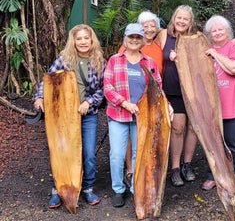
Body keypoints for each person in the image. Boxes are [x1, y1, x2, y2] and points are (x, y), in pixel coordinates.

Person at [34, 24, 105, 208]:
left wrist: (88, 102)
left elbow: (103, 89)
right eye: (78, 38)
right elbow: (48, 78)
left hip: (88, 115)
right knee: (62, 152)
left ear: (91, 40)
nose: (82, 42)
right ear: (73, 41)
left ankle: (87, 188)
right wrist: (40, 97)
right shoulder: (64, 59)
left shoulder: (99, 61)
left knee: (88, 154)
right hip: (64, 116)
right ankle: (59, 188)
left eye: (86, 38)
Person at [104, 23, 162, 207]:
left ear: (143, 40)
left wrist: (164, 106)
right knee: (116, 155)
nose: (135, 40)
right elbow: (107, 87)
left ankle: (136, 188)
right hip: (118, 115)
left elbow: (157, 88)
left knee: (139, 154)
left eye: (138, 37)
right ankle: (118, 189)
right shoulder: (114, 60)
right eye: (131, 37)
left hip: (142, 117)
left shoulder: (149, 63)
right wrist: (125, 103)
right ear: (125, 39)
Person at [202, 15, 235, 196]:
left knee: (232, 143)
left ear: (227, 31)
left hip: (231, 105)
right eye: (214, 30)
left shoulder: (234, 46)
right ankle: (213, 175)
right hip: (211, 106)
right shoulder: (206, 49)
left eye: (221, 29)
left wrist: (216, 55)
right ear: (209, 34)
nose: (218, 32)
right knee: (211, 143)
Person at [119, 11, 163, 187]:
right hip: (130, 100)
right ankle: (130, 170)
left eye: (153, 26)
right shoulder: (127, 47)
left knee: (147, 135)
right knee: (130, 135)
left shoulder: (158, 47)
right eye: (146, 26)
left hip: (152, 98)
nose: (150, 29)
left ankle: (144, 170)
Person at [155, 5, 198, 186]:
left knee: (193, 128)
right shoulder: (164, 35)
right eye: (179, 18)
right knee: (178, 127)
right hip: (172, 89)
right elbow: (149, 51)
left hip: (193, 91)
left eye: (185, 19)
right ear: (174, 18)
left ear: (190, 22)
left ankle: (187, 164)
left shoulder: (195, 38)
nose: (181, 21)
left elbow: (206, 59)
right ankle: (174, 168)